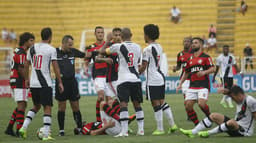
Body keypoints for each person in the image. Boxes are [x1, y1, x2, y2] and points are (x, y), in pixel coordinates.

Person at [19, 27, 64, 141]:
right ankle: (45, 135)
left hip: (34, 83)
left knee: (36, 106)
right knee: (47, 108)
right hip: (45, 83)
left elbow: (26, 64)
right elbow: (55, 66)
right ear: (50, 37)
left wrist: (26, 79)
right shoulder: (51, 49)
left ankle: (23, 128)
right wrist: (60, 82)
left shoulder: (32, 48)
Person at [100, 28, 144, 137]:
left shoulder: (118, 46)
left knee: (123, 104)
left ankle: (124, 132)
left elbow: (102, 51)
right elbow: (138, 62)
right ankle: (141, 130)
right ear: (131, 35)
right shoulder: (138, 47)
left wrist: (108, 41)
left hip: (123, 79)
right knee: (137, 104)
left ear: (122, 37)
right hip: (135, 79)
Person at [139, 24, 177, 135]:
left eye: (144, 34)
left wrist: (135, 72)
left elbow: (144, 66)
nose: (143, 36)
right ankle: (172, 125)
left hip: (152, 79)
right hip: (160, 77)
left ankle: (160, 129)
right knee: (162, 102)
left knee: (155, 104)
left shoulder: (147, 49)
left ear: (147, 35)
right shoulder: (159, 46)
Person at [180, 85, 256, 138]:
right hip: (235, 126)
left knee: (232, 122)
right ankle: (193, 132)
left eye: (233, 97)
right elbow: (231, 91)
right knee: (214, 115)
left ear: (239, 95)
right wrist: (225, 90)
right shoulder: (239, 99)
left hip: (244, 131)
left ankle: (208, 133)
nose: (233, 100)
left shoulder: (250, 101)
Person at [177, 37, 215, 126]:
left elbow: (213, 68)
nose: (193, 44)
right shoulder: (190, 58)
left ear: (201, 45)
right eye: (193, 43)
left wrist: (204, 72)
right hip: (192, 86)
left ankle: (209, 117)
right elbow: (186, 72)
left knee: (201, 104)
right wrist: (180, 84)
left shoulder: (206, 57)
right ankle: (198, 125)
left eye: (196, 43)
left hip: (203, 85)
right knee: (187, 106)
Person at [55, 35, 88, 136]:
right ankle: (61, 130)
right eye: (69, 45)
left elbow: (85, 55)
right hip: (61, 82)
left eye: (72, 45)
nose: (71, 46)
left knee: (75, 107)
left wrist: (96, 52)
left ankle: (79, 128)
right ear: (63, 43)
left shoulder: (73, 51)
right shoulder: (55, 52)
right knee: (61, 107)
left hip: (72, 83)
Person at [4, 32, 35, 137]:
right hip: (19, 80)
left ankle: (9, 128)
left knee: (22, 105)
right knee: (22, 105)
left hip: (15, 79)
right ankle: (19, 130)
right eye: (31, 40)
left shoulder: (18, 51)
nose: (33, 43)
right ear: (26, 41)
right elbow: (21, 68)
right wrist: (27, 80)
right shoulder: (22, 53)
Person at [85, 26, 109, 122]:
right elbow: (86, 61)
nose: (100, 34)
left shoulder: (108, 46)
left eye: (102, 32)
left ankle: (111, 120)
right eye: (98, 32)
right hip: (98, 76)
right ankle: (100, 121)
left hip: (109, 76)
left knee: (109, 100)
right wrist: (86, 67)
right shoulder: (91, 48)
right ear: (95, 34)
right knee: (101, 97)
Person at [96, 27, 122, 105]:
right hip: (112, 78)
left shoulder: (124, 46)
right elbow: (97, 59)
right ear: (112, 36)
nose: (118, 37)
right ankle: (123, 117)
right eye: (115, 35)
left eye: (119, 35)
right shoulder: (109, 46)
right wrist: (105, 60)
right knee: (121, 100)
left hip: (122, 78)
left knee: (114, 103)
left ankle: (113, 117)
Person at [173, 37, 192, 121]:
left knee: (196, 100)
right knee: (186, 99)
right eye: (184, 41)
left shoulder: (194, 53)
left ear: (191, 43)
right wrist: (175, 68)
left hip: (194, 78)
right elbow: (179, 66)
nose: (186, 43)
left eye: (188, 41)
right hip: (184, 80)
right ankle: (189, 115)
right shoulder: (180, 54)